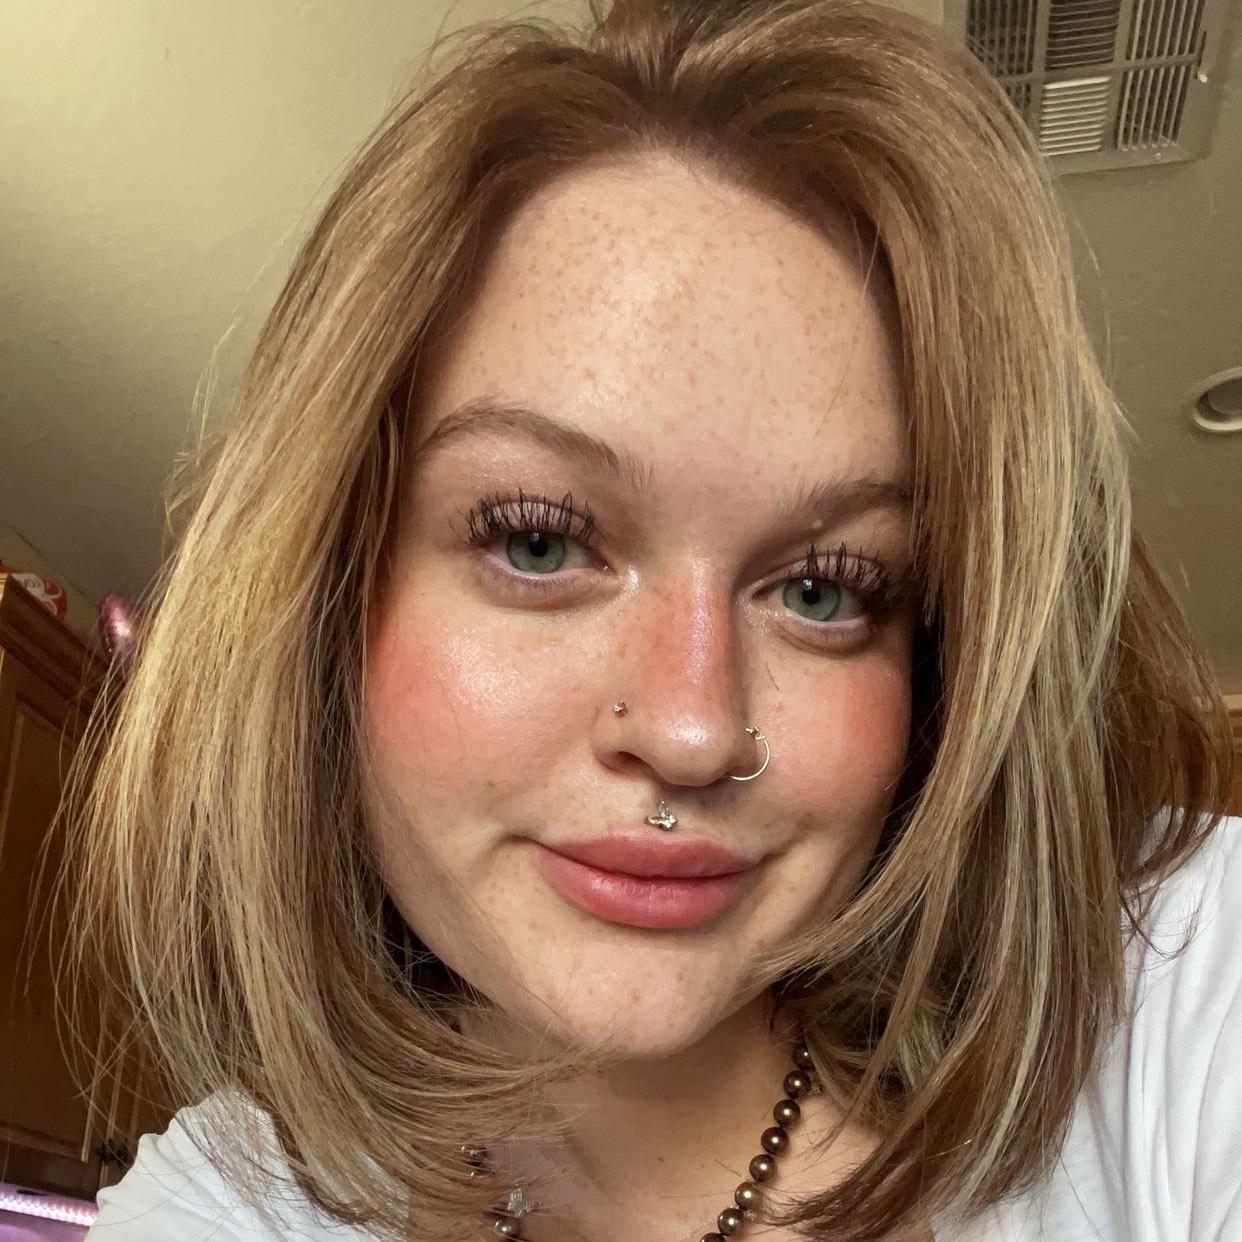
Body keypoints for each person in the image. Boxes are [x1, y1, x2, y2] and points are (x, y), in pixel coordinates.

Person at [66, 1, 1239, 1240]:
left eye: (824, 588)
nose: (691, 731)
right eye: (538, 541)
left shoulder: (1179, 987)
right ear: (327, 599)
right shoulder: (220, 1204)